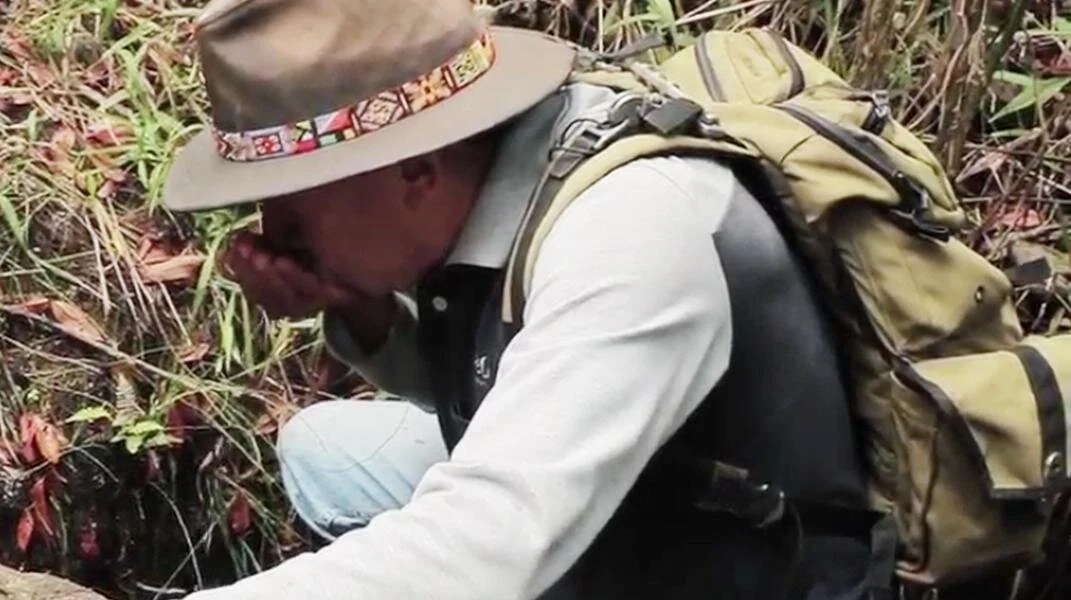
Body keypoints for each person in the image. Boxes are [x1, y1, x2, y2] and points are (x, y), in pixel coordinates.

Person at [158, 0, 896, 598]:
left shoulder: (629, 230)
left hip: (750, 568)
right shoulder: (503, 168)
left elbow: (490, 542)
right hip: (645, 504)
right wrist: (359, 308)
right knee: (325, 452)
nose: (270, 234)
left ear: (411, 167)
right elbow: (499, 380)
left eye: (287, 203)